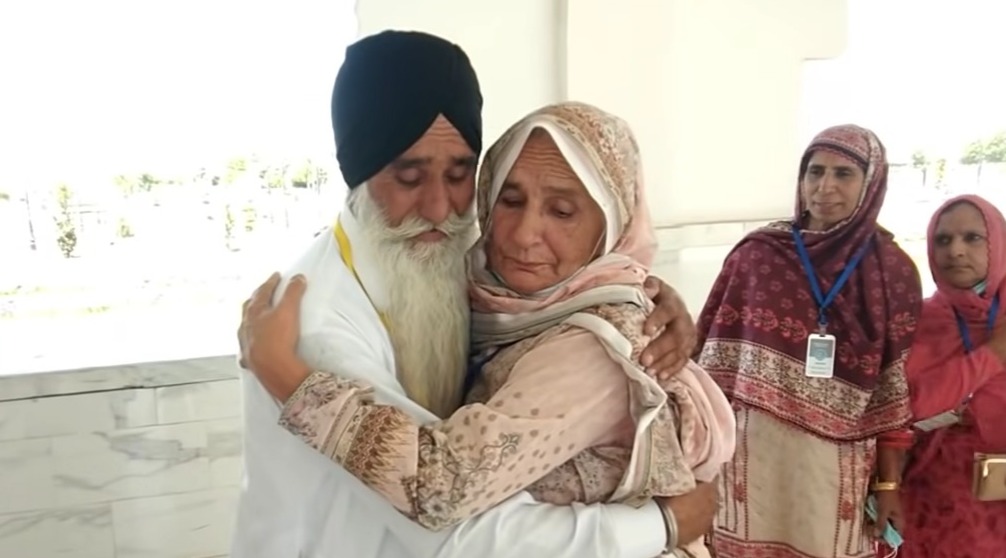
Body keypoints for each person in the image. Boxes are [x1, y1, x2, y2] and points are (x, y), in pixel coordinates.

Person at [231, 30, 713, 558]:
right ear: (357, 172)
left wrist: (641, 296)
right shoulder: (314, 328)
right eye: (409, 177)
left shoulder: (450, 261)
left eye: (460, 174)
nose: (440, 208)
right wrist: (661, 525)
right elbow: (455, 529)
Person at [694, 124, 923, 558]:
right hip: (751, 454)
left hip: (835, 468)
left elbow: (894, 391)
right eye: (815, 172)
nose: (824, 187)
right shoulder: (757, 256)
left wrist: (888, 485)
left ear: (871, 183)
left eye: (843, 174)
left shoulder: (890, 270)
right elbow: (706, 361)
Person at [895, 195, 1006, 557]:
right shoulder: (919, 321)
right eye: (943, 240)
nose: (955, 251)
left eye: (973, 238)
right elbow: (908, 406)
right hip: (937, 499)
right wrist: (992, 356)